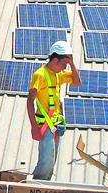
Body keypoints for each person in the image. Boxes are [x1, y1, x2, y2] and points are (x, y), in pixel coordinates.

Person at [27, 41, 81, 180]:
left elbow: (77, 82)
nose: (64, 68)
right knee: (46, 161)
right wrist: (34, 127)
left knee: (51, 162)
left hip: (56, 125)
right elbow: (30, 101)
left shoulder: (58, 75)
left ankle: (44, 185)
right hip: (44, 125)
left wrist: (72, 64)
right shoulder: (40, 75)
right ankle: (36, 187)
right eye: (64, 64)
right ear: (55, 60)